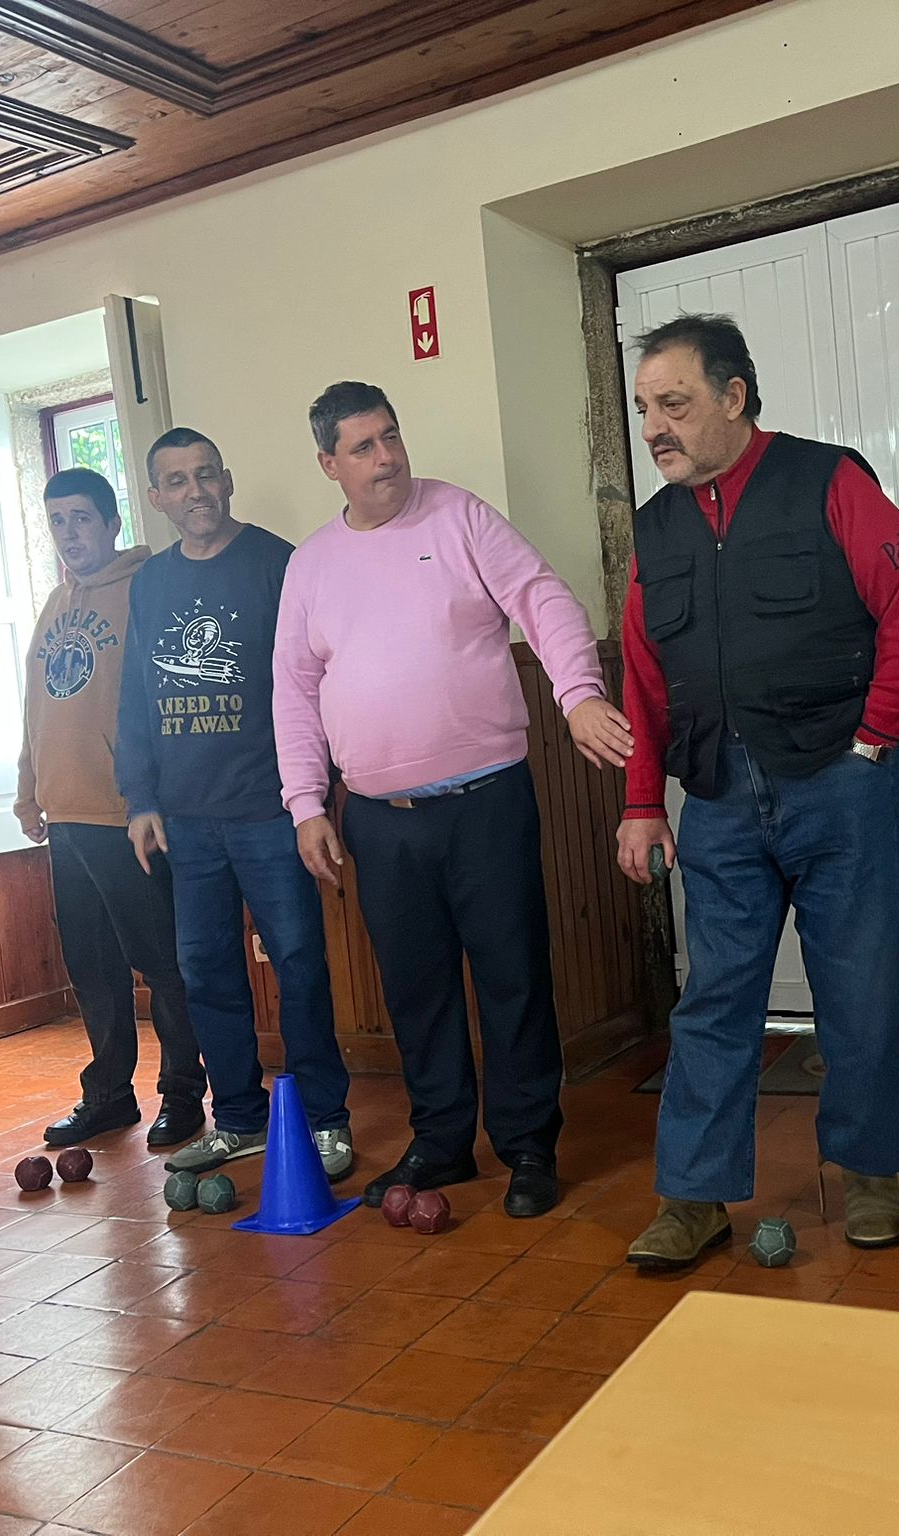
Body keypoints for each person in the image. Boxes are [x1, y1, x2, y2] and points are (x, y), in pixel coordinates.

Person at [617, 314, 899, 1270]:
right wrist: (642, 802)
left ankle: (871, 1174)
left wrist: (876, 736)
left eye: (674, 404)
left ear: (734, 396)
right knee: (712, 999)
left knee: (863, 986)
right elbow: (644, 674)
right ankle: (693, 1197)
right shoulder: (656, 527)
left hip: (842, 788)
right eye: (644, 409)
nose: (655, 428)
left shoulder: (829, 481)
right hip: (717, 796)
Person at [273, 382, 633, 1219]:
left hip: (486, 804)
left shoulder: (459, 516)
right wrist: (305, 803)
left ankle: (528, 1145)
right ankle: (440, 1141)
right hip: (378, 819)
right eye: (363, 446)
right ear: (329, 464)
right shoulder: (311, 565)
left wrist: (578, 692)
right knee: (415, 988)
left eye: (391, 436)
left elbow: (543, 598)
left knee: (513, 976)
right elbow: (293, 689)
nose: (387, 457)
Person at [115, 428, 355, 1180]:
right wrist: (139, 798)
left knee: (299, 964)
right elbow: (136, 697)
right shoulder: (150, 583)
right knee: (206, 971)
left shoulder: (278, 564)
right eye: (177, 481)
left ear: (227, 480)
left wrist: (314, 793)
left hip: (270, 809)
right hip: (185, 821)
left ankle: (326, 1121)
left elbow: (314, 680)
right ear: (157, 498)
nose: (196, 492)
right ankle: (242, 1120)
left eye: (206, 475)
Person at [15, 467, 203, 1150]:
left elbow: (166, 696)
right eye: (57, 521)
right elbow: (37, 706)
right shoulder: (54, 603)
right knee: (92, 968)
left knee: (162, 964)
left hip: (128, 816)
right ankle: (108, 1095)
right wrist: (28, 789)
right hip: (64, 816)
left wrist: (148, 795)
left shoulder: (144, 588)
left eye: (81, 518)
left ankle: (182, 1093)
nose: (69, 533)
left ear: (112, 523)